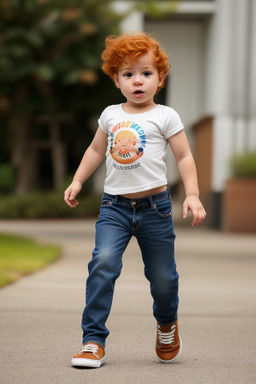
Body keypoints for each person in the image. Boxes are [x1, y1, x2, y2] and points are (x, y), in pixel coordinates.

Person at [64, 32, 206, 368]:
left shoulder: (165, 116)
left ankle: (167, 323)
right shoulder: (111, 114)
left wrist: (194, 194)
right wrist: (78, 180)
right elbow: (97, 149)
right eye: (128, 74)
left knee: (164, 279)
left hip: (155, 208)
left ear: (160, 78)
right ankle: (92, 340)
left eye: (145, 73)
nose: (137, 81)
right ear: (116, 80)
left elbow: (184, 156)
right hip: (114, 207)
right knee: (103, 264)